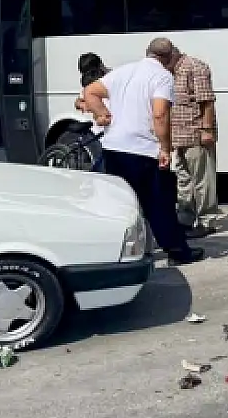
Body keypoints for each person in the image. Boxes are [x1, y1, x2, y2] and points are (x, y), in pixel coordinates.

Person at [84, 39, 203, 265]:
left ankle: (120, 252)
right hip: (143, 150)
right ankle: (177, 251)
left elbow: (90, 91)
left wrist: (102, 114)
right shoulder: (163, 77)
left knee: (123, 204)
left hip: (113, 147)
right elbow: (160, 115)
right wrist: (165, 148)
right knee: (161, 203)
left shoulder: (123, 71)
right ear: (168, 59)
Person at [158, 42, 221, 238]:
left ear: (169, 56)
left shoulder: (195, 68)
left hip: (196, 135)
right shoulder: (170, 72)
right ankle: (185, 217)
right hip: (179, 137)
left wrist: (207, 130)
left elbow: (207, 102)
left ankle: (206, 220)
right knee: (184, 179)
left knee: (203, 180)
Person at [73, 52, 111, 172]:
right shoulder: (91, 79)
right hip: (100, 128)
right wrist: (87, 104)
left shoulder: (110, 79)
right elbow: (79, 101)